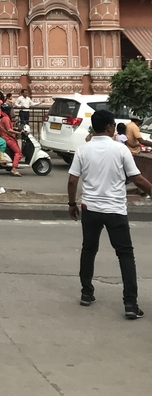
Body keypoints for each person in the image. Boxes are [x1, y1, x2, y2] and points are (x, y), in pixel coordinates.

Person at [68, 108, 152, 318]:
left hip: (90, 209)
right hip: (115, 210)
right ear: (108, 127)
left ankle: (87, 293)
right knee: (125, 254)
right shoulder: (120, 150)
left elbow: (72, 180)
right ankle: (130, 304)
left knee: (89, 249)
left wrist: (71, 204)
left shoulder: (83, 150)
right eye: (113, 125)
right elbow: (137, 179)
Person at [0, 103, 22, 175]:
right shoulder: (6, 118)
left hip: (5, 137)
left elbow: (8, 128)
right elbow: (9, 130)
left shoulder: (3, 118)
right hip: (7, 138)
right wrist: (18, 133)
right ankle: (14, 169)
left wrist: (16, 128)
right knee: (18, 152)